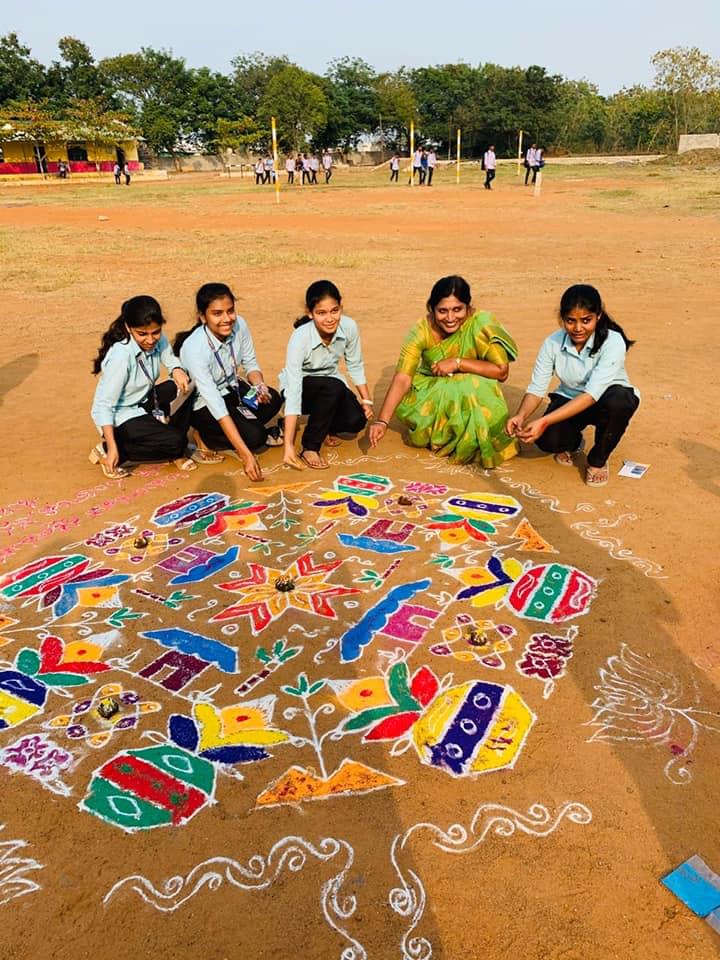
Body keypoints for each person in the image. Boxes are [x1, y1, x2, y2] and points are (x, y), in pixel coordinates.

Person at [369, 275, 518, 467]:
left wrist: (458, 363)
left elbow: (501, 371)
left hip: (478, 391)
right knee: (453, 387)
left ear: (468, 307)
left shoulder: (482, 324)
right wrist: (382, 421)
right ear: (431, 309)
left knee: (465, 384)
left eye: (457, 310)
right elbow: (403, 378)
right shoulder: (421, 331)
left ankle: (470, 438)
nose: (450, 318)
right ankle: (443, 434)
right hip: (432, 391)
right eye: (442, 311)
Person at [505, 284, 639, 487]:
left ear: (598, 316)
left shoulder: (613, 341)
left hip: (605, 399)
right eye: (571, 321)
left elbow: (592, 395)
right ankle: (575, 442)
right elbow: (537, 387)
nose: (578, 328)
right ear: (562, 319)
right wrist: (521, 415)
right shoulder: (552, 343)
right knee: (548, 441)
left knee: (620, 402)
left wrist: (544, 421)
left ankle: (597, 459)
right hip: (569, 399)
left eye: (586, 321)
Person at [176, 283, 284, 482]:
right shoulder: (195, 348)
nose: (227, 319)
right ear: (202, 317)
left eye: (230, 311)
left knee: (273, 399)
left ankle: (244, 425)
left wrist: (259, 386)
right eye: (217, 313)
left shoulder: (240, 324)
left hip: (232, 387)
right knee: (255, 438)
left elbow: (250, 362)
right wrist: (246, 455)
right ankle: (205, 436)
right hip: (204, 403)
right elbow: (215, 404)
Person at [90, 296, 194, 480]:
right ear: (129, 329)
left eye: (155, 332)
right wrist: (112, 446)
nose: (150, 340)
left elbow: (170, 360)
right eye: (142, 334)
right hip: (121, 414)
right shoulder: (121, 357)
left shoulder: (157, 340)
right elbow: (104, 405)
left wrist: (177, 369)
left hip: (143, 401)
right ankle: (110, 450)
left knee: (189, 383)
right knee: (177, 442)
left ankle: (168, 438)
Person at [280, 280, 372, 470]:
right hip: (300, 388)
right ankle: (310, 447)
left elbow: (355, 364)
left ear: (341, 307)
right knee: (332, 386)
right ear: (310, 312)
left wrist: (366, 399)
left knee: (356, 420)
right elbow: (295, 387)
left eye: (334, 310)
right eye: (321, 313)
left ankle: (325, 424)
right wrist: (288, 444)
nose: (330, 318)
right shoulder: (300, 338)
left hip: (331, 387)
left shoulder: (349, 327)